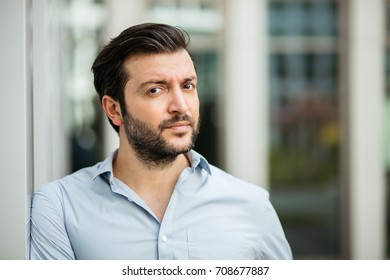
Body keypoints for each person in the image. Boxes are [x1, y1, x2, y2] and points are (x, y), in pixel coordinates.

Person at [30, 23, 292, 260]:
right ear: (114, 109)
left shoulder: (251, 205)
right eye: (155, 89)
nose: (181, 106)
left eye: (188, 86)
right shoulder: (59, 208)